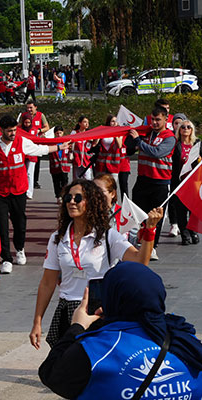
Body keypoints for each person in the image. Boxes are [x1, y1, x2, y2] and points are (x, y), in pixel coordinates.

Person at [29, 179, 161, 350]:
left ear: (91, 203)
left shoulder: (108, 235)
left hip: (98, 310)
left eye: (78, 198)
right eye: (68, 197)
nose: (71, 202)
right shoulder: (58, 238)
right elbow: (47, 283)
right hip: (66, 308)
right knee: (64, 367)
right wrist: (37, 322)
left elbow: (140, 261)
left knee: (94, 366)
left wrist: (150, 231)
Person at [38, 262, 202, 399]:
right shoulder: (187, 343)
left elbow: (51, 375)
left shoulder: (94, 350)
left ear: (112, 297)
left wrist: (76, 327)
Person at [0, 114, 64, 274]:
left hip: (18, 190)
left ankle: (20, 249)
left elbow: (41, 149)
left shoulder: (22, 142)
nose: (12, 133)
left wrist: (60, 146)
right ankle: (6, 259)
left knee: (19, 222)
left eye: (14, 130)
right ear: (1, 130)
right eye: (9, 131)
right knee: (1, 225)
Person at [127, 105, 175, 257]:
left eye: (158, 120)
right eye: (152, 119)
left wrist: (138, 141)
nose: (154, 123)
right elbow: (129, 150)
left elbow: (157, 152)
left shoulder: (169, 137)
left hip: (160, 182)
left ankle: (153, 245)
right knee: (139, 214)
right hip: (143, 180)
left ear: (166, 119)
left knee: (156, 216)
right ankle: (140, 241)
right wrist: (131, 138)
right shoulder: (145, 133)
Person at [172, 116, 201, 246]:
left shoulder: (198, 144)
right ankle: (184, 235)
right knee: (180, 210)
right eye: (183, 127)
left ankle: (192, 231)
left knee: (193, 209)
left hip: (194, 182)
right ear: (179, 130)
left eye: (188, 127)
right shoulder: (175, 145)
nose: (185, 129)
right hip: (179, 182)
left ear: (192, 130)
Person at [49, 127, 72, 202]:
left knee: (64, 181)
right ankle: (58, 196)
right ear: (54, 134)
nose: (59, 135)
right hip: (55, 166)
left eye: (60, 133)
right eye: (57, 133)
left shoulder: (66, 142)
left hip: (64, 166)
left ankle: (64, 195)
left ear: (63, 133)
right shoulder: (51, 143)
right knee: (56, 182)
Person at [70, 116, 93, 180]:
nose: (87, 124)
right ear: (80, 123)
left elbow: (93, 145)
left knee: (88, 180)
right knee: (77, 180)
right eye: (85, 122)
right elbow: (70, 144)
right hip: (77, 161)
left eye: (88, 122)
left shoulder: (90, 134)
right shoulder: (74, 133)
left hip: (87, 161)